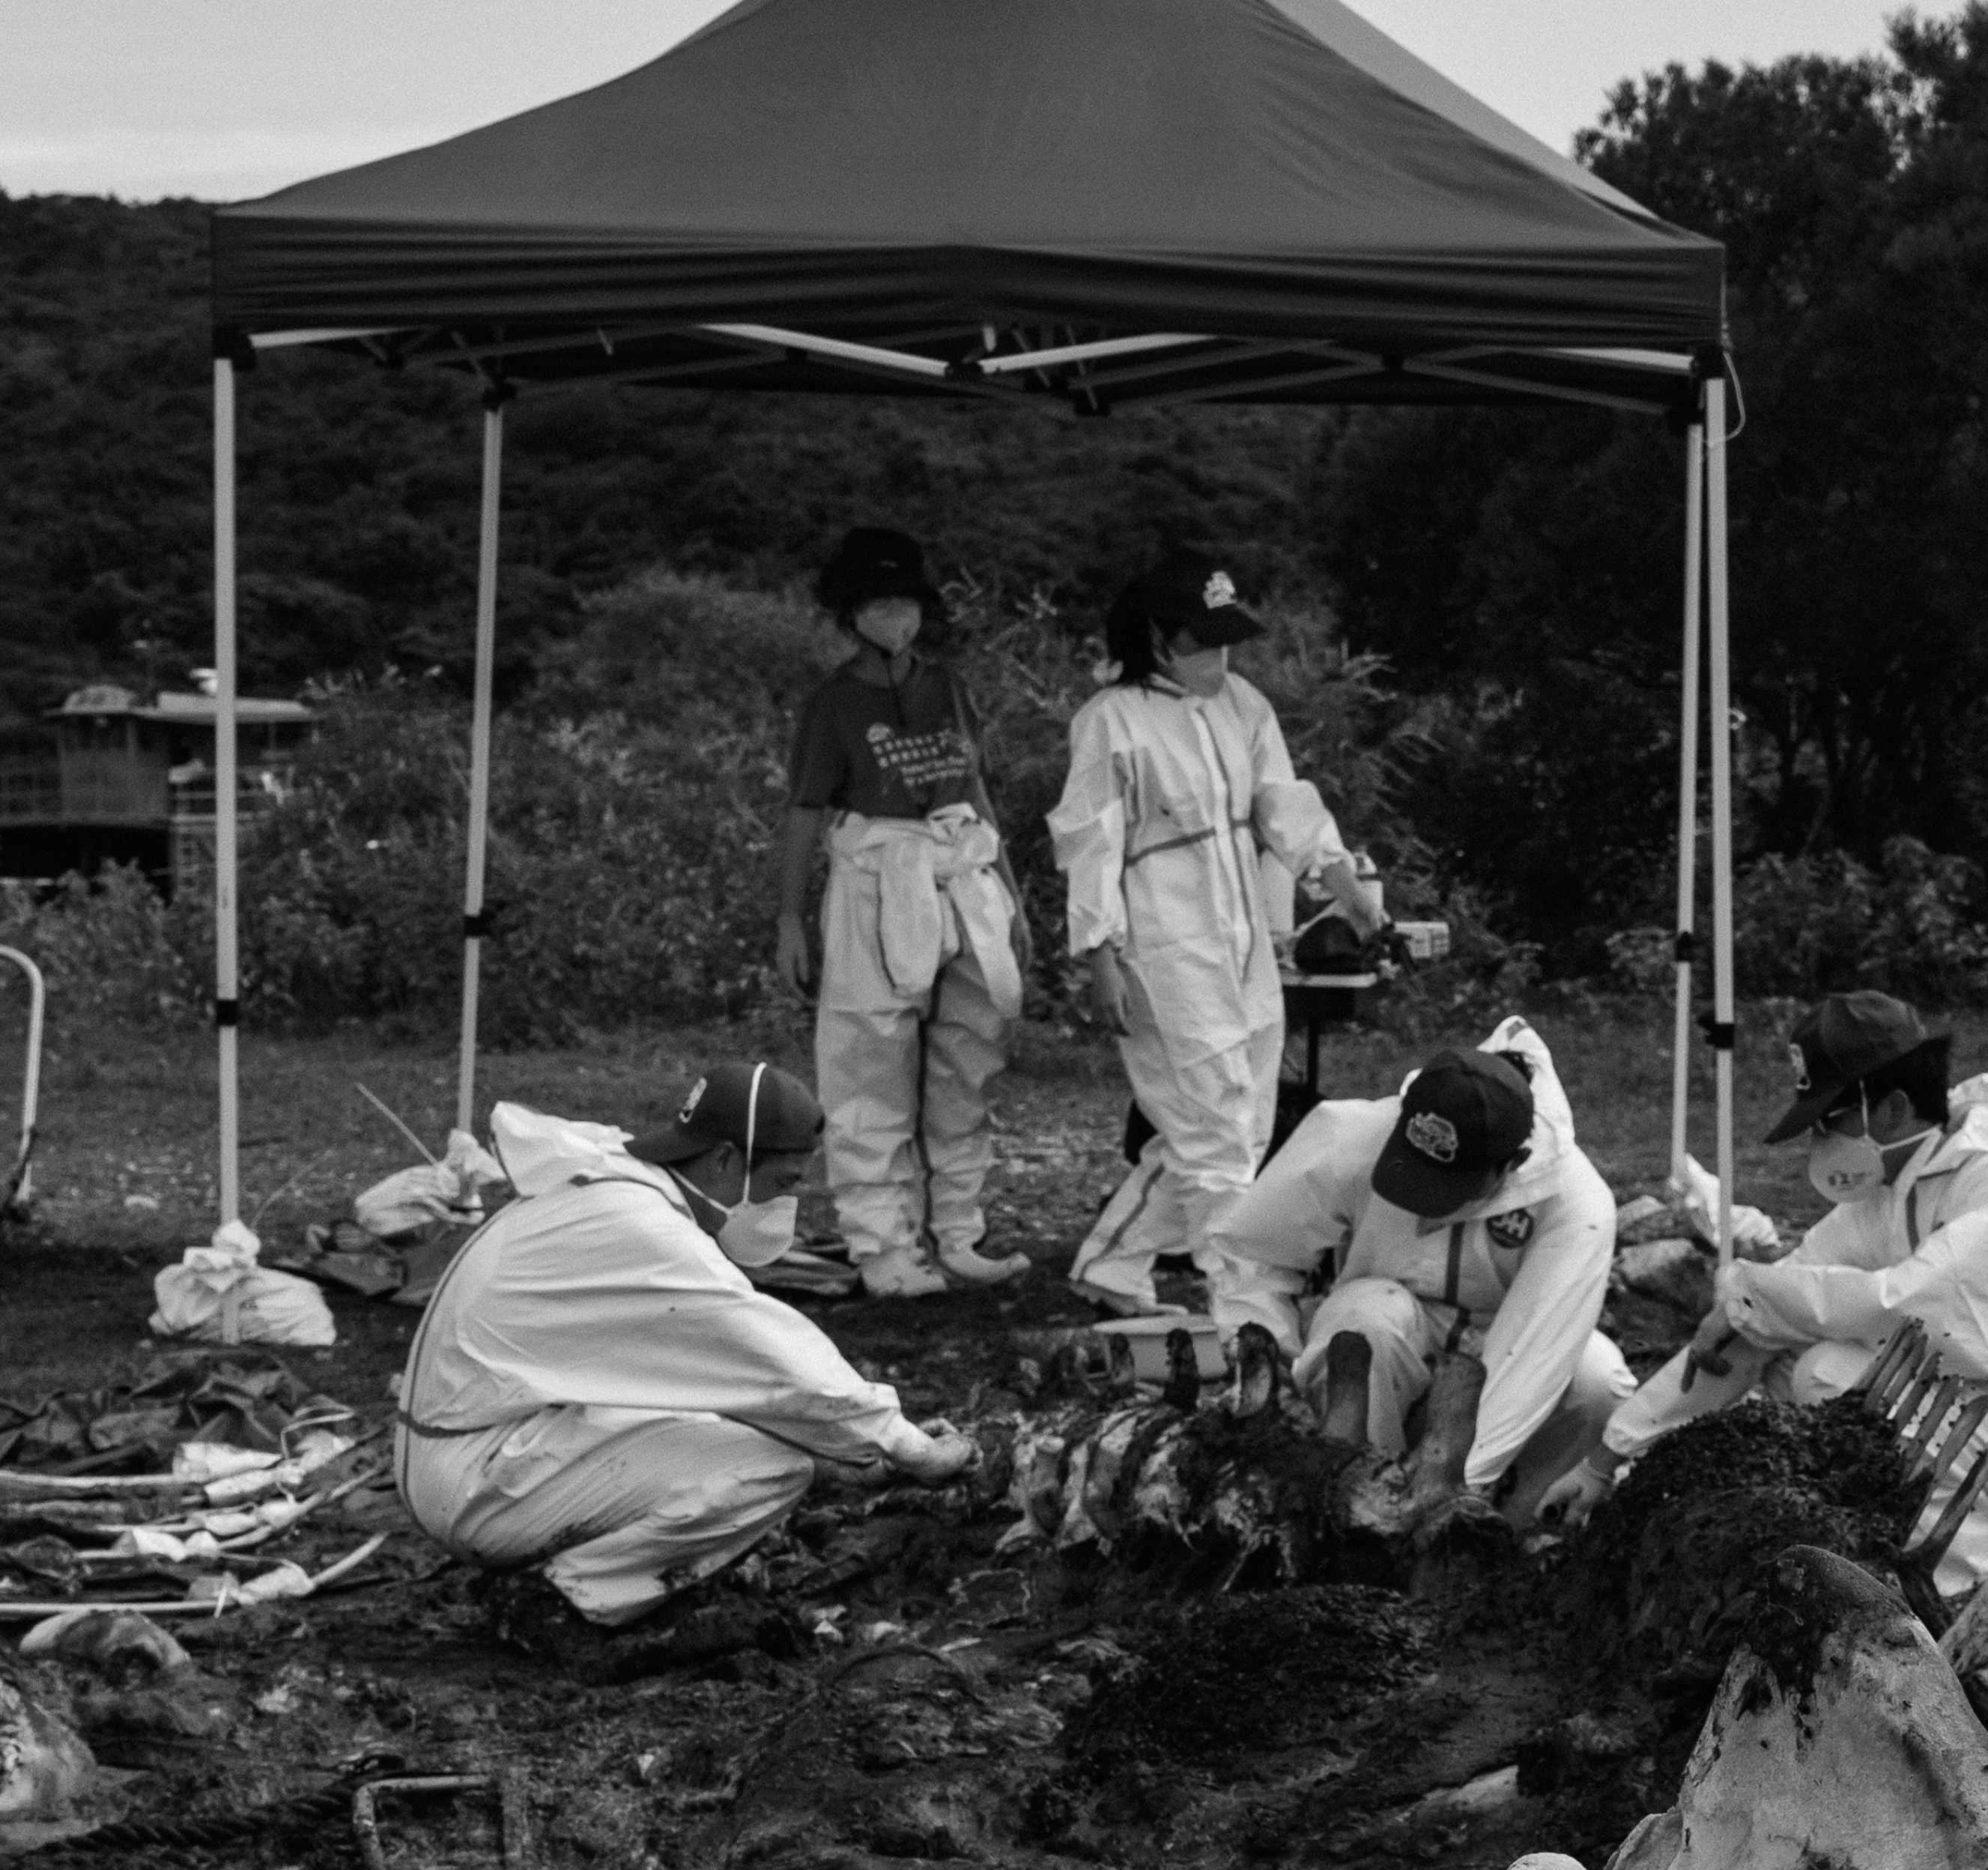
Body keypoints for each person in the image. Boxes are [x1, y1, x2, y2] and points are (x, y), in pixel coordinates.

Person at [1546, 993, 1988, 1600]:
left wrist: (1753, 1295)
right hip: (1981, 1433)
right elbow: (1757, 1323)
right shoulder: (1882, 1201)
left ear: (1894, 1107)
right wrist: (1604, 1461)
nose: (1821, 1138)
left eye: (1832, 1118)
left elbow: (1903, 1305)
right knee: (1798, 1363)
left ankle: (1978, 1590)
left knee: (1837, 1376)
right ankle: (1946, 1557)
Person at [398, 1063, 972, 1654]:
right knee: (770, 1470)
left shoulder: (617, 1184)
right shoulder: (648, 1233)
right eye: (780, 1182)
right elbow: (775, 1360)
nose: (785, 1201)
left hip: (472, 1442)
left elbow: (721, 1383)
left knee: (727, 1428)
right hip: (469, 1481)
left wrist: (855, 1454)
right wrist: (908, 1446)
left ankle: (562, 1569)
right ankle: (568, 1600)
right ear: (725, 1160)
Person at [1048, 548, 1389, 1316]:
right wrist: (1098, 956)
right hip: (1164, 938)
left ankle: (1112, 1265)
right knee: (1215, 1133)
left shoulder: (1243, 705)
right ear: (1159, 639)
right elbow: (1090, 840)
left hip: (1240, 934)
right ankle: (1239, 1297)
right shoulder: (1112, 721)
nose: (1220, 657)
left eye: (1226, 639)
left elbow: (1283, 804)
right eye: (1203, 641)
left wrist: (1342, 884)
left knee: (1234, 1121)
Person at [1202, 1021, 1631, 1516]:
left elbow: (1534, 1355)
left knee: (1597, 1380)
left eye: (1448, 1190)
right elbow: (1254, 1253)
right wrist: (1267, 1372)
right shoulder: (1352, 1136)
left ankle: (1510, 1535)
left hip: (1500, 1352)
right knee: (1363, 1319)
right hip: (1386, 1350)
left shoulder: (1575, 1203)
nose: (1427, 1208)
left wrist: (1451, 1492)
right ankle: (1350, 1505)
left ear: (1513, 1165)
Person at [775, 528, 1024, 1299]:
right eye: (880, 605)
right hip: (876, 878)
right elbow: (805, 812)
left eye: (906, 603)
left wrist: (1011, 896)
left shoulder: (946, 687)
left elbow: (975, 789)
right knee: (869, 1057)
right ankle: (883, 1244)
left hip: (960, 872)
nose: (897, 619)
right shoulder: (833, 704)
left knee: (967, 1055)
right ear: (851, 613)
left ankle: (957, 1230)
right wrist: (790, 917)